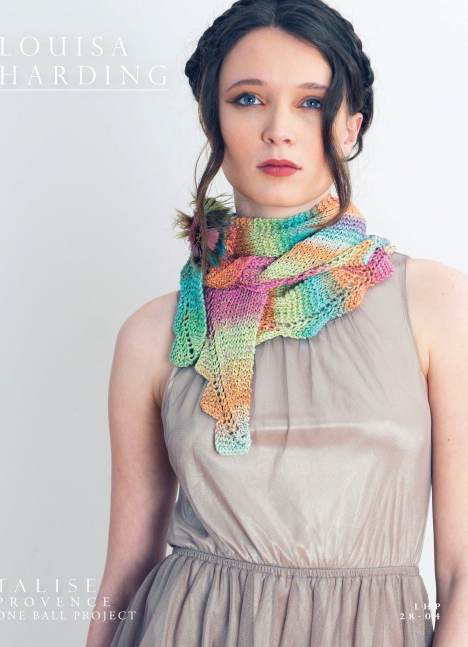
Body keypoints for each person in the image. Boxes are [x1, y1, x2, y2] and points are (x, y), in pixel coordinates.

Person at [86, 1, 468, 646]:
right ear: (211, 120)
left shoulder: (435, 303)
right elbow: (125, 573)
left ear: (351, 127)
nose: (279, 130)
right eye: (248, 99)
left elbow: (463, 574)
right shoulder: (153, 334)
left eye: (312, 102)